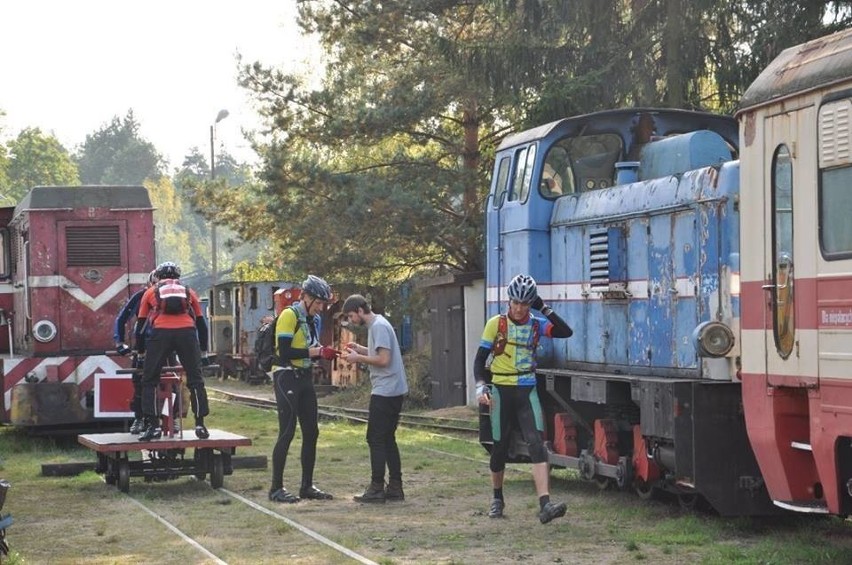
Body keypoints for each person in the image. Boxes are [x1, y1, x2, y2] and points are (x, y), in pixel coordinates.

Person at [473, 274, 573, 524]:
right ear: (509, 301)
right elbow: (479, 360)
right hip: (501, 391)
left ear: (531, 303)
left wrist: (544, 308)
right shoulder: (496, 324)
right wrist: (480, 386)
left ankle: (545, 505)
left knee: (537, 444)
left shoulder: (537, 324)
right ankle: (497, 498)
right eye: (515, 302)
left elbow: (565, 331)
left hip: (527, 390)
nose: (519, 308)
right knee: (499, 448)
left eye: (525, 303)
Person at [268, 275, 338, 503]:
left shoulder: (313, 320)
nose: (320, 308)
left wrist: (327, 351)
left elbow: (311, 347)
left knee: (312, 431)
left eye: (323, 304)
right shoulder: (289, 316)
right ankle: (276, 488)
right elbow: (285, 352)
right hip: (286, 376)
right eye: (317, 303)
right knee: (287, 432)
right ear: (305, 297)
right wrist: (316, 353)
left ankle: (306, 486)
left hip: (305, 377)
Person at [341, 294, 409, 503]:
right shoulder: (379, 324)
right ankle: (395, 487)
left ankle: (376, 487)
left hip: (385, 390)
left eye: (352, 316)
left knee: (375, 438)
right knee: (387, 438)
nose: (352, 320)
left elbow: (383, 359)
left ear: (360, 311)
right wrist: (360, 349)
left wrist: (357, 358)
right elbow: (380, 352)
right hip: (393, 389)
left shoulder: (378, 326)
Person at [134, 261, 212, 441]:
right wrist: (204, 352)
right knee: (196, 380)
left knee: (149, 381)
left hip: (161, 335)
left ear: (158, 277)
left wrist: (140, 354)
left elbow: (140, 327)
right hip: (187, 334)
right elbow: (201, 324)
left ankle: (153, 426)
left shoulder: (150, 292)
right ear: (178, 277)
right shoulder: (189, 292)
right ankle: (200, 425)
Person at [113, 269, 158, 434]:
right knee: (140, 383)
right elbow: (122, 317)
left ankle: (171, 418)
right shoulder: (142, 296)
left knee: (172, 383)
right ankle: (140, 418)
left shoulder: (180, 295)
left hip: (167, 346)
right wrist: (119, 342)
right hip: (144, 346)